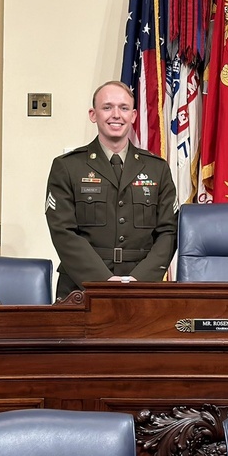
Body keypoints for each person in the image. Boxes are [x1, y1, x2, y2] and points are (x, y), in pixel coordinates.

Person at [45, 81, 178, 300]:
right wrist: (102, 282)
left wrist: (139, 281)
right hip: (81, 288)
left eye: (124, 108)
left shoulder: (157, 168)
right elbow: (63, 231)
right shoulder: (67, 166)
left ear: (134, 115)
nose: (116, 115)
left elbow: (168, 232)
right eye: (107, 107)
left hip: (142, 288)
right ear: (93, 114)